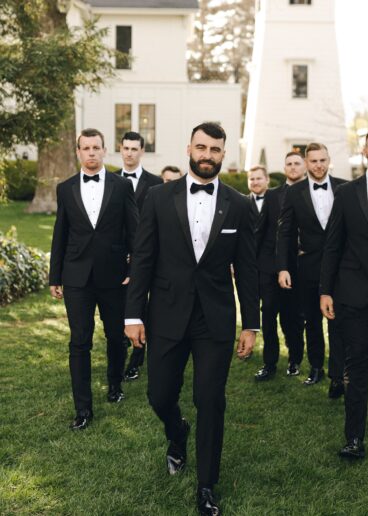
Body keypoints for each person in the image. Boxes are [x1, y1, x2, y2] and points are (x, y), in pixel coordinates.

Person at [124, 122, 259, 516]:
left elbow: (247, 268)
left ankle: (206, 485)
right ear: (188, 148)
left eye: (215, 149)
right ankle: (176, 431)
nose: (207, 155)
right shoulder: (157, 197)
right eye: (201, 147)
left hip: (214, 319)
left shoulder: (238, 204)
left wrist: (251, 323)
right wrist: (133, 314)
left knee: (210, 400)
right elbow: (143, 258)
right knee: (159, 395)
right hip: (165, 314)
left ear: (223, 154)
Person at [49, 128, 138, 430]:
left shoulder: (122, 186)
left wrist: (134, 270)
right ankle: (83, 409)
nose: (90, 152)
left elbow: (135, 231)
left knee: (116, 336)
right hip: (76, 277)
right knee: (79, 342)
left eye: (95, 147)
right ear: (78, 152)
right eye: (85, 148)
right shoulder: (65, 188)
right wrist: (55, 276)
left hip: (114, 277)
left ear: (104, 150)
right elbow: (60, 234)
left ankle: (115, 385)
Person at [320, 127, 368, 458]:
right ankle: (353, 438)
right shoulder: (347, 193)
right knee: (355, 364)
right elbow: (333, 245)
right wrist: (325, 290)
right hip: (353, 293)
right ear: (364, 151)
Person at [276, 143, 346, 395]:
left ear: (329, 160)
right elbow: (284, 233)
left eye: (322, 160)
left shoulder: (345, 187)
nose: (318, 165)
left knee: (338, 320)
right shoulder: (294, 193)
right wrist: (283, 267)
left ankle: (338, 374)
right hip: (307, 266)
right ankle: (316, 367)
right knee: (312, 320)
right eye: (313, 161)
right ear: (306, 163)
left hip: (342, 267)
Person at [254, 152, 306, 381]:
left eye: (297, 163)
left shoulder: (310, 194)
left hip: (297, 268)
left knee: (292, 317)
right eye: (289, 164)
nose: (293, 167)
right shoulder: (273, 195)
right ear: (284, 167)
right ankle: (269, 363)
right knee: (268, 317)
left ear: (303, 167)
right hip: (268, 266)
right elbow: (261, 230)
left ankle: (295, 359)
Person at [117, 131, 163, 381]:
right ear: (120, 150)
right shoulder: (110, 180)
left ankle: (136, 359)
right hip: (115, 257)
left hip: (146, 256)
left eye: (135, 149)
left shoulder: (155, 183)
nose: (130, 153)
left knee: (141, 306)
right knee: (117, 305)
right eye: (126, 148)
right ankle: (119, 347)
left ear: (142, 151)